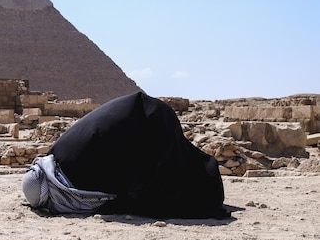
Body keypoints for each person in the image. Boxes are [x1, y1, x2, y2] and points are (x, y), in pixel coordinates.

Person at [22, 92, 229, 218]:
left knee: (163, 183)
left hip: (149, 121)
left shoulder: (78, 177)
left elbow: (116, 196)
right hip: (145, 114)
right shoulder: (57, 155)